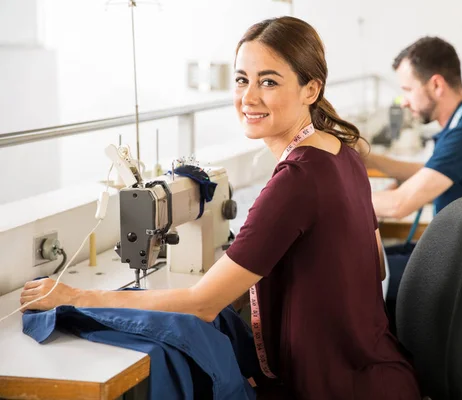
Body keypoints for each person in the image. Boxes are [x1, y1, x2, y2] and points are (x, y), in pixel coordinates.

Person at [20, 17, 421, 400]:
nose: (249, 97)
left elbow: (201, 303)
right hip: (380, 372)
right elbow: (378, 267)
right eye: (242, 80)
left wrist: (76, 295)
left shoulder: (297, 180)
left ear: (310, 89)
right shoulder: (342, 152)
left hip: (335, 391)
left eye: (269, 82)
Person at [359, 36, 462, 322]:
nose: (403, 102)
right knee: (361, 260)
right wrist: (366, 156)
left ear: (437, 85)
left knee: (346, 275)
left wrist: (333, 201)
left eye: (407, 89)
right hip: (454, 256)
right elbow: (426, 172)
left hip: (455, 269)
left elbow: (398, 206)